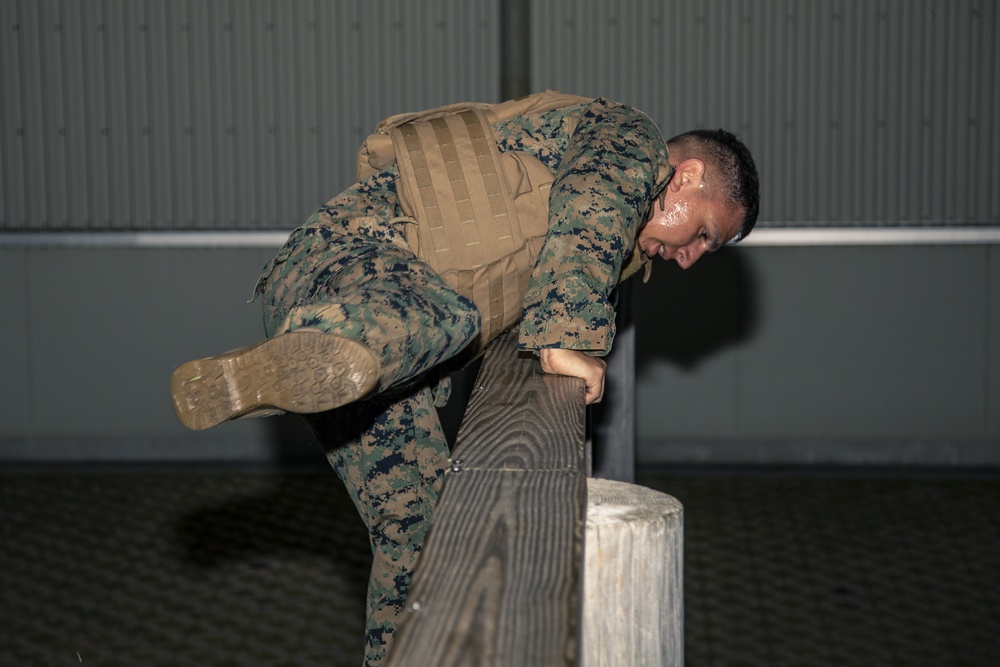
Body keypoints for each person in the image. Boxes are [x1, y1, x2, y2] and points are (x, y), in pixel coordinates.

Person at [170, 92, 759, 666]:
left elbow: (546, 253)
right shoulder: (631, 139)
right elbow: (594, 203)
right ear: (683, 177)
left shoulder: (616, 247)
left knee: (419, 536)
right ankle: (314, 344)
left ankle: (296, 362)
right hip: (350, 264)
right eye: (705, 233)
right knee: (455, 317)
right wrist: (566, 338)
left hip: (377, 364)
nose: (692, 258)